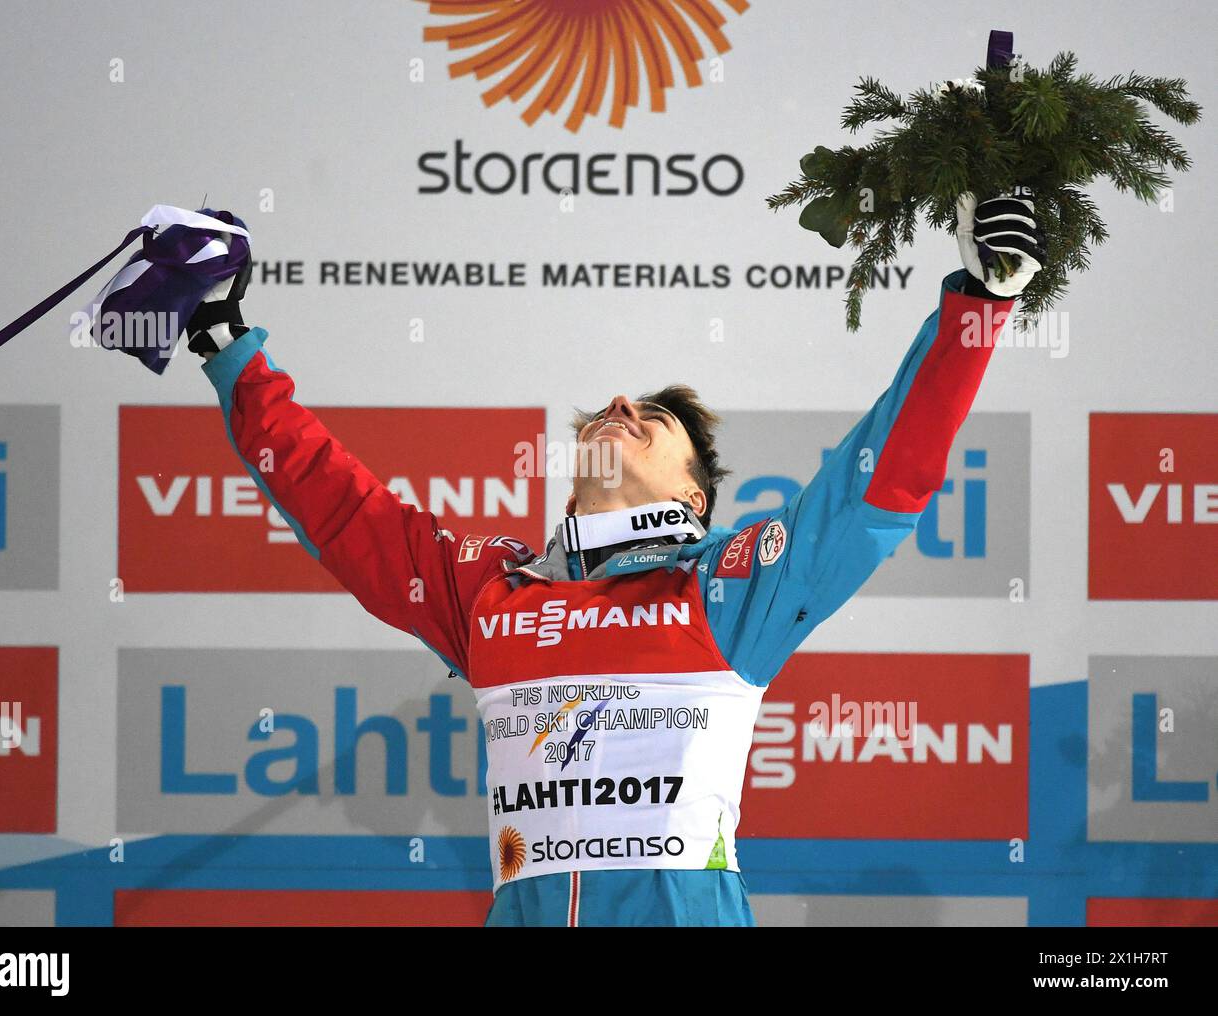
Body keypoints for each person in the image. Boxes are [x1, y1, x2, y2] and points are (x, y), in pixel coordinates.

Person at [184, 191, 1043, 927]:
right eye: (609, 409)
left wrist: (976, 304)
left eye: (654, 421)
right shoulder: (488, 594)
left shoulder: (728, 588)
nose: (623, 405)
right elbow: (340, 505)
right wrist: (225, 340)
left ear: (697, 498)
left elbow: (876, 484)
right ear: (568, 491)